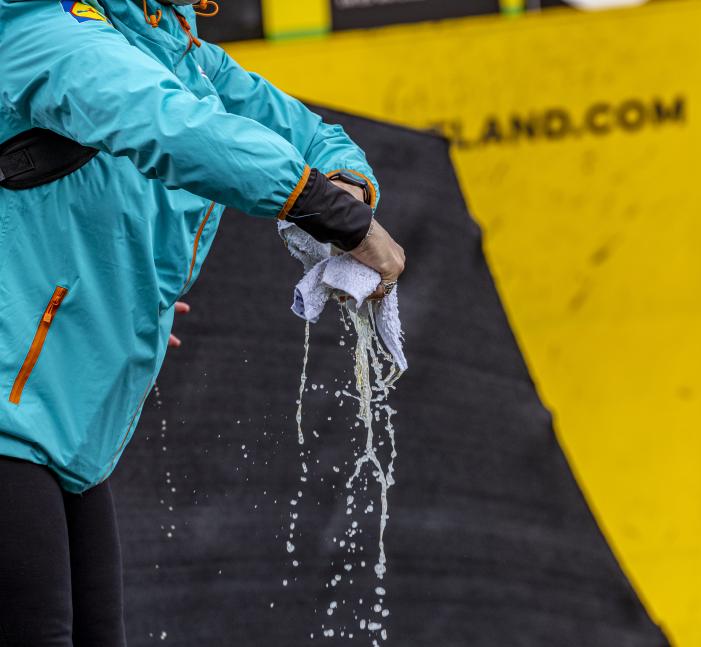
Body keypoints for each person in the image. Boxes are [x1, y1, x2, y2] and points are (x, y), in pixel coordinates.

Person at [0, 0, 405, 642]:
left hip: (69, 426)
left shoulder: (180, 51)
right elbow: (170, 127)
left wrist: (347, 184)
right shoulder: (34, 26)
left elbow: (310, 136)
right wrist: (338, 218)